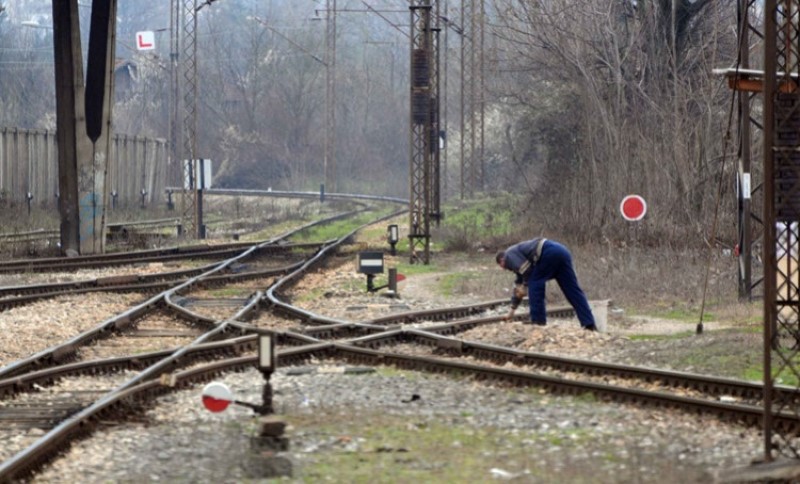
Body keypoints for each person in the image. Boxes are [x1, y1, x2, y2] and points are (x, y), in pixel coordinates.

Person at [496, 237, 597, 331]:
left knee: (534, 283)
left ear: (502, 260)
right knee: (572, 290)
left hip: (547, 252)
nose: (505, 269)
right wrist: (512, 310)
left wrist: (525, 285)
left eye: (503, 266)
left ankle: (538, 323)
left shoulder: (509, 255)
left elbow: (527, 271)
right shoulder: (517, 260)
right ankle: (589, 323)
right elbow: (519, 285)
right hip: (562, 251)